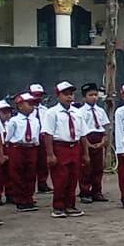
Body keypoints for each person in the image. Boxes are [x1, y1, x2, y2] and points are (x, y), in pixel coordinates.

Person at [44, 82, 87, 218]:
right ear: (58, 96)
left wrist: (85, 153)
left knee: (73, 177)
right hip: (60, 146)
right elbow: (48, 134)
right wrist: (50, 154)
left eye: (71, 94)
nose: (69, 97)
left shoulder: (77, 112)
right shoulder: (52, 113)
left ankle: (70, 205)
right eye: (65, 94)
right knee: (60, 178)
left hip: (74, 146)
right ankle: (58, 206)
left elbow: (83, 134)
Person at [7, 94, 42, 212]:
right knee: (17, 173)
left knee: (31, 173)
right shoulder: (14, 120)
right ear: (20, 106)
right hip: (18, 147)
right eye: (29, 103)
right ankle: (20, 199)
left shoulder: (35, 120)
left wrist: (35, 145)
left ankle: (29, 197)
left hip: (31, 147)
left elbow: (36, 135)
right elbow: (9, 136)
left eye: (33, 103)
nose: (32, 106)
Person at [77, 83, 109, 201]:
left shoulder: (100, 111)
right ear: (84, 98)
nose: (94, 97)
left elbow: (105, 127)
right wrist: (87, 144)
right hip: (86, 138)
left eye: (95, 95)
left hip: (98, 138)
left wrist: (103, 140)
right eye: (90, 95)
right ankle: (85, 192)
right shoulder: (80, 112)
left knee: (98, 167)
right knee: (86, 167)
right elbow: (80, 130)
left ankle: (97, 191)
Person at [28, 83, 52, 192]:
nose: (38, 97)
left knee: (43, 162)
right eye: (36, 95)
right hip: (31, 137)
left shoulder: (45, 110)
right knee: (31, 163)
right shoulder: (27, 109)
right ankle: (30, 186)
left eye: (40, 95)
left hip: (42, 137)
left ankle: (42, 183)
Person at [0, 99, 11, 206]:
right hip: (0, 148)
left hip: (9, 147)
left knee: (10, 173)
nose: (7, 114)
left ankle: (10, 194)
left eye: (8, 111)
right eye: (4, 112)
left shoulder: (10, 124)